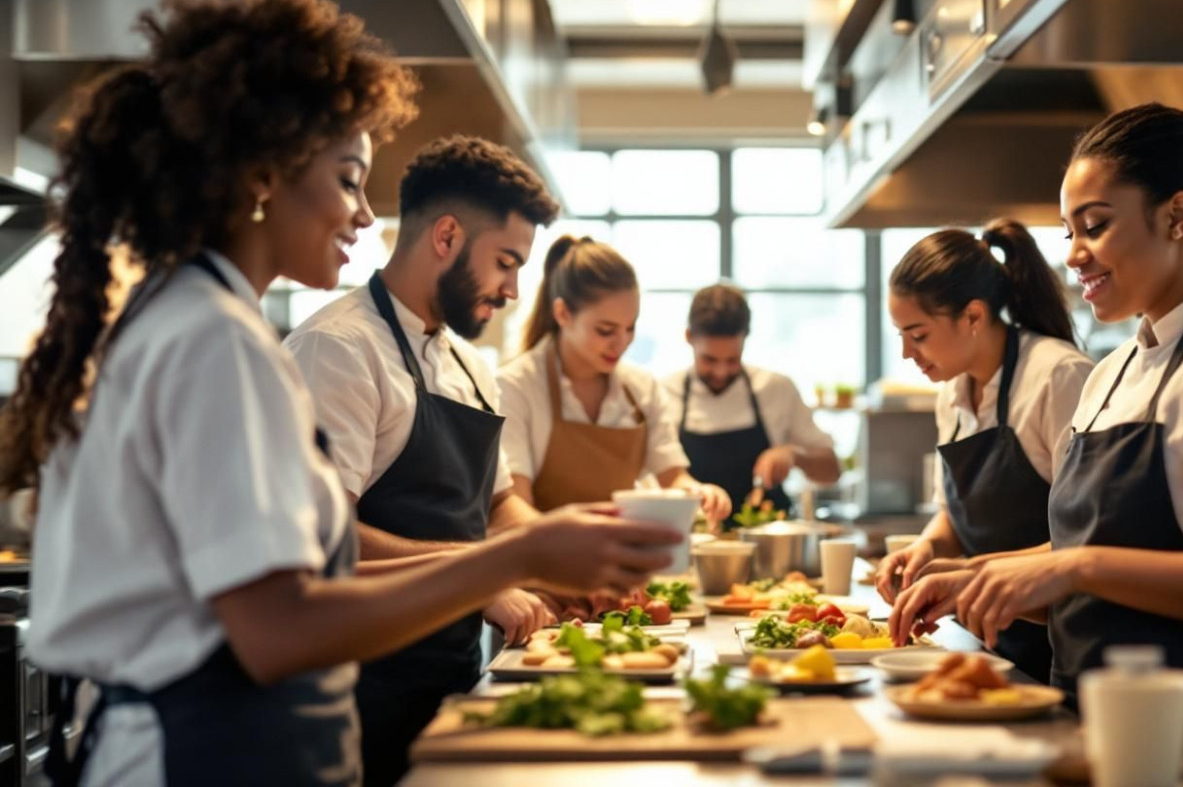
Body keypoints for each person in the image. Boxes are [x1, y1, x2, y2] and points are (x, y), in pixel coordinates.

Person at [0, 0, 681, 784]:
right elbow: (280, 628)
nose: (364, 217)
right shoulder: (215, 340)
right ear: (263, 175)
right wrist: (513, 558)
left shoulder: (207, 320)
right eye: (349, 180)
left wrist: (527, 556)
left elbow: (319, 575)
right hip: (202, 757)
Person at [891, 103, 1183, 782]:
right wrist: (984, 582)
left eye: (1095, 226)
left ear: (1177, 216)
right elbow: (1103, 564)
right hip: (1099, 731)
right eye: (1070, 230)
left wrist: (1073, 567)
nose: (1073, 253)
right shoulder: (1115, 371)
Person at [283, 135, 566, 785]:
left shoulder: (470, 360)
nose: (514, 290)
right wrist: (486, 578)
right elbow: (328, 538)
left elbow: (496, 505)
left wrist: (567, 553)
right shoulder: (338, 350)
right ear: (446, 236)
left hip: (455, 676)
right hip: (362, 690)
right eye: (506, 262)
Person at [871, 219, 1092, 683]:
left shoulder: (1057, 377)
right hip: (985, 639)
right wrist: (926, 547)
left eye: (919, 334)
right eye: (901, 336)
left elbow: (1090, 539)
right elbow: (954, 514)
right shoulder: (951, 393)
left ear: (973, 316)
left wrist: (971, 574)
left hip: (1059, 645)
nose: (908, 353)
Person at [499, 236, 731, 526]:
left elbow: (672, 477)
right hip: (542, 561)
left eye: (630, 328)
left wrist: (699, 493)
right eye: (606, 330)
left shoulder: (640, 389)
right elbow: (514, 505)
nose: (621, 344)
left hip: (621, 560)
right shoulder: (515, 388)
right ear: (562, 314)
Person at [663, 284, 840, 524]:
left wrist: (794, 454)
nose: (721, 371)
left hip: (769, 543)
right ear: (688, 337)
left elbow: (832, 471)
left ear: (745, 340)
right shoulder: (664, 394)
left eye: (732, 360)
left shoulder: (776, 388)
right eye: (709, 359)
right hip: (695, 538)